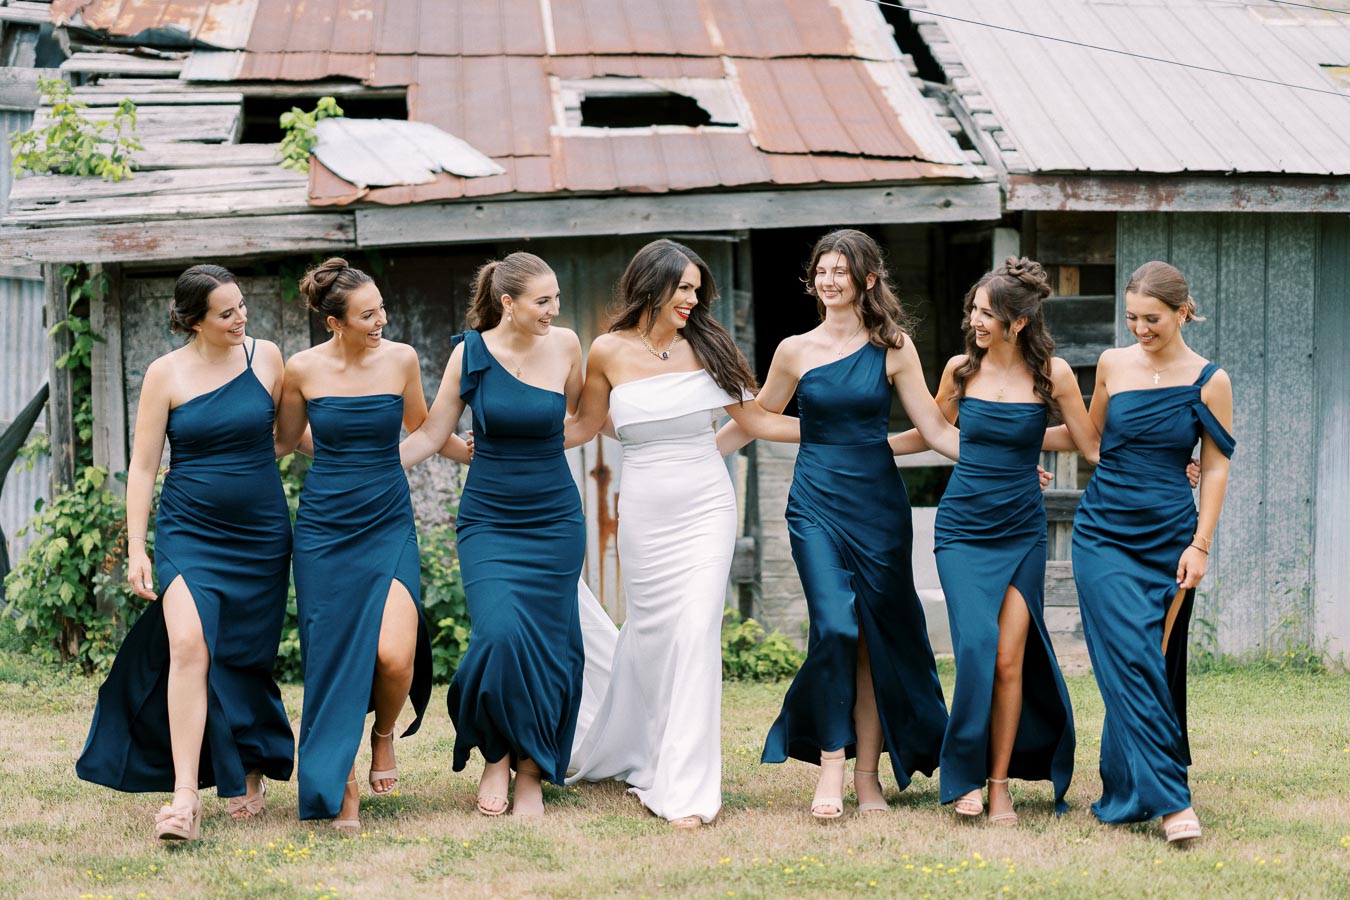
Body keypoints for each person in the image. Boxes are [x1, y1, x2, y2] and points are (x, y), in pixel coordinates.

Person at [718, 229, 958, 820]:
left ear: (867, 280)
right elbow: (757, 417)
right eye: (821, 270)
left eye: (840, 271)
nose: (828, 280)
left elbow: (931, 428)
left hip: (878, 508)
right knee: (835, 627)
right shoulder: (794, 350)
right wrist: (695, 452)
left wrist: (1003, 459)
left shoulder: (894, 346)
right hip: (815, 505)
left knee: (875, 640)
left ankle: (869, 779)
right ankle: (831, 766)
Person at [561, 239, 798, 828]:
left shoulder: (711, 347)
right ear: (651, 285)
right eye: (683, 287)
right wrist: (503, 443)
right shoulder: (607, 351)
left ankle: (686, 788)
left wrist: (847, 432)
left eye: (698, 288)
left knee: (695, 633)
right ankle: (636, 748)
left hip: (706, 507)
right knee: (651, 635)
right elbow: (588, 425)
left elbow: (755, 422)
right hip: (643, 510)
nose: (693, 298)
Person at [76, 265, 294, 841]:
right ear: (193, 320)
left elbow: (290, 436)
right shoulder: (164, 374)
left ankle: (248, 761)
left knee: (245, 655)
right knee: (190, 644)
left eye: (242, 306)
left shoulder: (267, 358)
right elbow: (144, 465)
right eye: (226, 312)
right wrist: (137, 546)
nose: (241, 317)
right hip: (189, 531)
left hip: (262, 534)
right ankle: (184, 797)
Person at [890, 258, 1093, 824]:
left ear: (1018, 321)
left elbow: (1086, 442)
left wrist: (1170, 462)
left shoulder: (1054, 374)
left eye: (986, 312)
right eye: (973, 309)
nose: (974, 320)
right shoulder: (959, 371)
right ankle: (963, 775)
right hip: (961, 531)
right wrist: (858, 447)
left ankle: (997, 783)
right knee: (977, 650)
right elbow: (928, 433)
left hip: (1022, 532)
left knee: (1009, 661)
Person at [400, 251, 590, 818]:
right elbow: (434, 432)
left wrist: (538, 446)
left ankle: (531, 768)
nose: (554, 310)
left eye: (556, 298)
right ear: (507, 303)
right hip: (490, 519)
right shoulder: (470, 353)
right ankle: (495, 753)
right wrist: (367, 467)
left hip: (555, 516)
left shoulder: (568, 346)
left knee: (552, 646)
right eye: (542, 301)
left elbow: (581, 421)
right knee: (498, 635)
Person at [275, 258, 458, 831]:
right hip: (325, 529)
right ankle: (341, 786)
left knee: (394, 654)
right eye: (367, 314)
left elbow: (425, 427)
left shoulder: (401, 359)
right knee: (331, 662)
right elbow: (285, 439)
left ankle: (384, 736)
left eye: (381, 308)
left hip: (387, 522)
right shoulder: (301, 370)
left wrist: (481, 450)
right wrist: (337, 461)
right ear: (334, 321)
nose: (381, 319)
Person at [1072, 260, 1234, 844]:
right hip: (1102, 533)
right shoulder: (1113, 364)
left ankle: (1126, 784)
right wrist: (1003, 445)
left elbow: (1214, 468)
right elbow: (1091, 441)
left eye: (1153, 318)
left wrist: (1201, 544)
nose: (1140, 328)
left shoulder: (1210, 380)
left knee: (1152, 661)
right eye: (1132, 317)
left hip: (1170, 536)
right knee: (1132, 655)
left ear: (1182, 312)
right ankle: (1173, 802)